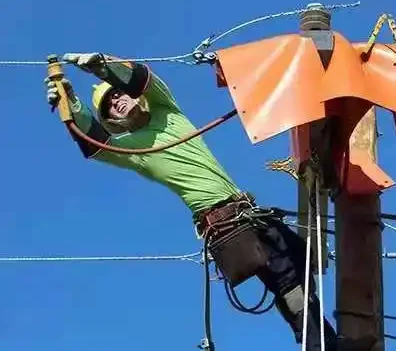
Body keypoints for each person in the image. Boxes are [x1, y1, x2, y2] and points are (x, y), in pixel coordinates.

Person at [44, 52, 338, 351]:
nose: (116, 102)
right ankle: (320, 347)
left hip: (250, 213)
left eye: (117, 95)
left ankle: (329, 341)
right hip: (229, 227)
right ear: (111, 121)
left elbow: (145, 79)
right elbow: (94, 144)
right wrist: (72, 104)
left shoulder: (167, 110)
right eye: (109, 107)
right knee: (289, 286)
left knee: (300, 265)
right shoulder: (133, 150)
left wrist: (102, 67)